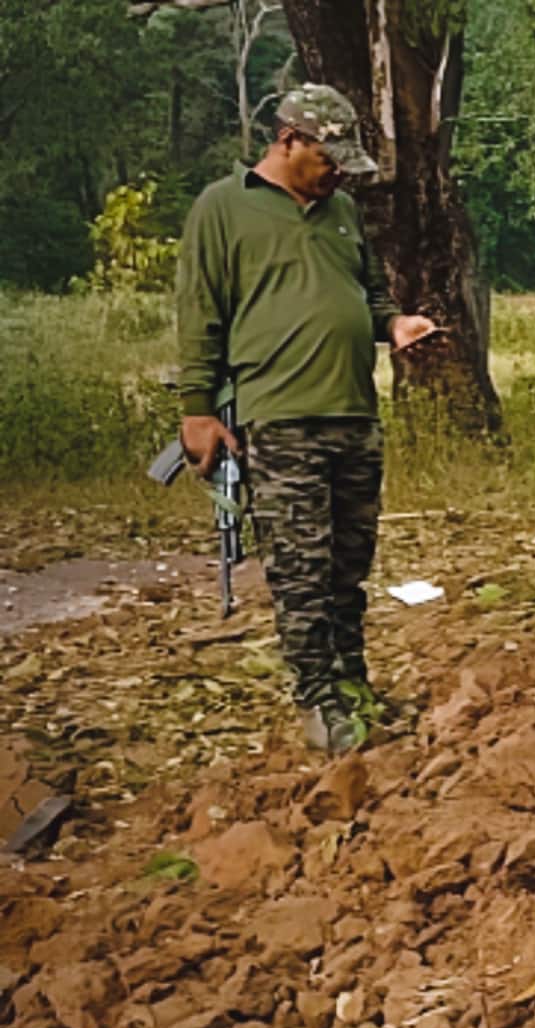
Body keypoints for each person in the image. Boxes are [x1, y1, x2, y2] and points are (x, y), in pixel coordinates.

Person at [175, 83, 438, 756]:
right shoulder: (223, 208)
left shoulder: (341, 210)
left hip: (353, 413)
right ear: (289, 140)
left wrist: (393, 324)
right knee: (301, 572)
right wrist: (197, 411)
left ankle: (351, 684)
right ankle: (317, 699)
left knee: (348, 567)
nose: (338, 173)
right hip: (279, 418)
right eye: (329, 158)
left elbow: (369, 292)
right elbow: (200, 314)